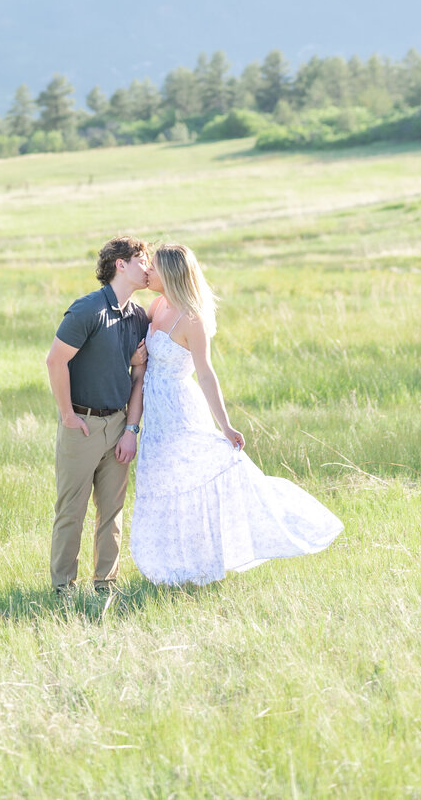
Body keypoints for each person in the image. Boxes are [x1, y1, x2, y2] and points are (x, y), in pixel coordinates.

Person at [130, 242, 343, 587]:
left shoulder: (192, 319)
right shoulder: (156, 305)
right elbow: (144, 358)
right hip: (155, 412)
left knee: (193, 480)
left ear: (169, 273)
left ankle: (198, 565)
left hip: (182, 408)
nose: (147, 272)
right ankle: (167, 566)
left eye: (153, 267)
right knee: (160, 480)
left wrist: (226, 425)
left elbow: (206, 373)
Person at [45, 235, 150, 600]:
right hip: (82, 425)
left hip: (119, 425)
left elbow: (139, 376)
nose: (148, 267)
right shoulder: (88, 309)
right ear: (121, 264)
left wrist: (130, 430)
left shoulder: (138, 315)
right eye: (142, 260)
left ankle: (106, 585)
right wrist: (68, 416)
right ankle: (63, 589)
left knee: (112, 512)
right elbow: (55, 361)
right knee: (70, 511)